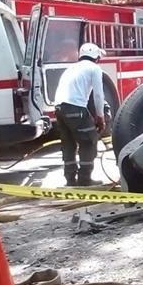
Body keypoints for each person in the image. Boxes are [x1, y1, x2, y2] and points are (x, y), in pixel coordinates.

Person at [54, 43, 107, 187]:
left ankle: (70, 179)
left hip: (59, 108)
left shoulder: (71, 68)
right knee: (89, 141)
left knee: (68, 143)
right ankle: (85, 179)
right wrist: (100, 117)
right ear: (96, 57)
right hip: (75, 108)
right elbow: (98, 94)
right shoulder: (94, 68)